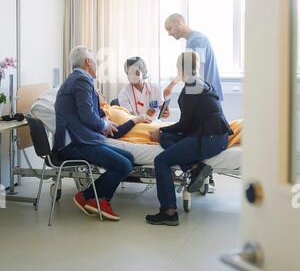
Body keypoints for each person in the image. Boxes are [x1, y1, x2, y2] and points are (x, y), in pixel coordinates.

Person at [146, 51, 232, 226]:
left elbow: (184, 126)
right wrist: (165, 133)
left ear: (180, 68)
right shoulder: (202, 83)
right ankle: (194, 167)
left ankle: (169, 211)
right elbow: (189, 125)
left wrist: (160, 130)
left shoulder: (191, 88)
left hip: (209, 139)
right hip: (218, 136)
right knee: (167, 138)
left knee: (161, 161)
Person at [53, 45, 135, 222]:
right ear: (88, 62)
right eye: (95, 61)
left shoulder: (76, 80)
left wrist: (104, 120)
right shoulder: (81, 80)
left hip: (82, 140)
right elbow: (87, 116)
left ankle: (93, 198)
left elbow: (88, 114)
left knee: (129, 158)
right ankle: (90, 197)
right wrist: (104, 125)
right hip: (75, 144)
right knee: (123, 165)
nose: (96, 65)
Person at [164, 13, 223, 101]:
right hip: (205, 93)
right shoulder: (192, 40)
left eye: (169, 28)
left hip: (206, 94)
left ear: (179, 22)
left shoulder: (197, 40)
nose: (169, 34)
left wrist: (171, 85)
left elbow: (194, 70)